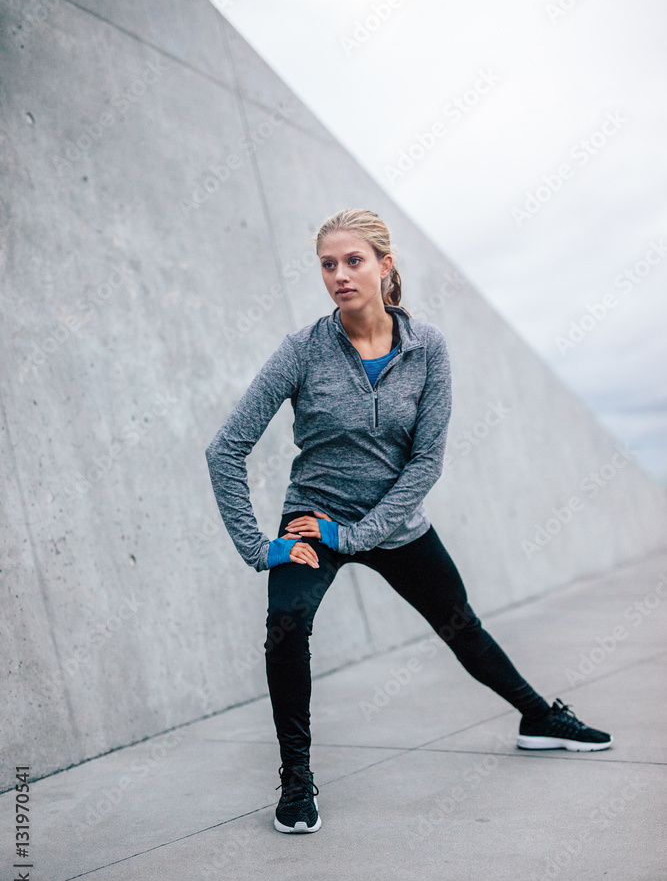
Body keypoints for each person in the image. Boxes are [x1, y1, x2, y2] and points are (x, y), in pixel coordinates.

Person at [205, 208, 612, 834]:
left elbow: (426, 461)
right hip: (315, 517)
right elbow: (224, 448)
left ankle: (538, 717)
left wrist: (361, 534)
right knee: (285, 626)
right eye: (328, 264)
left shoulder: (428, 350)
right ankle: (295, 780)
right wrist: (261, 549)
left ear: (384, 265)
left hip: (393, 522)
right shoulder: (302, 351)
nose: (340, 274)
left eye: (353, 261)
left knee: (461, 625)